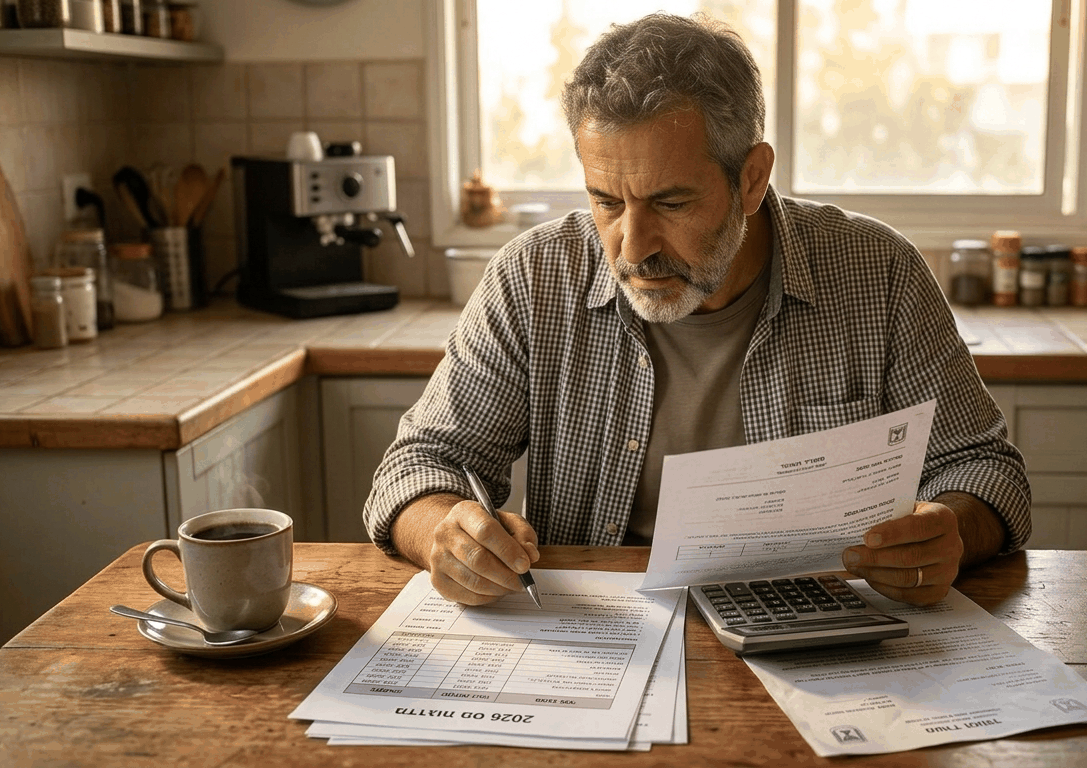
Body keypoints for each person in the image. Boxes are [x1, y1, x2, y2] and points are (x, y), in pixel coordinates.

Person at [364, 12, 1030, 608]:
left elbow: (985, 469)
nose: (632, 245)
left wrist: (951, 529)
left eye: (671, 203)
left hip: (818, 625)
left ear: (751, 178)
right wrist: (443, 534)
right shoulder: (533, 277)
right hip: (597, 631)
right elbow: (421, 463)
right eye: (605, 200)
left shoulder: (878, 272)